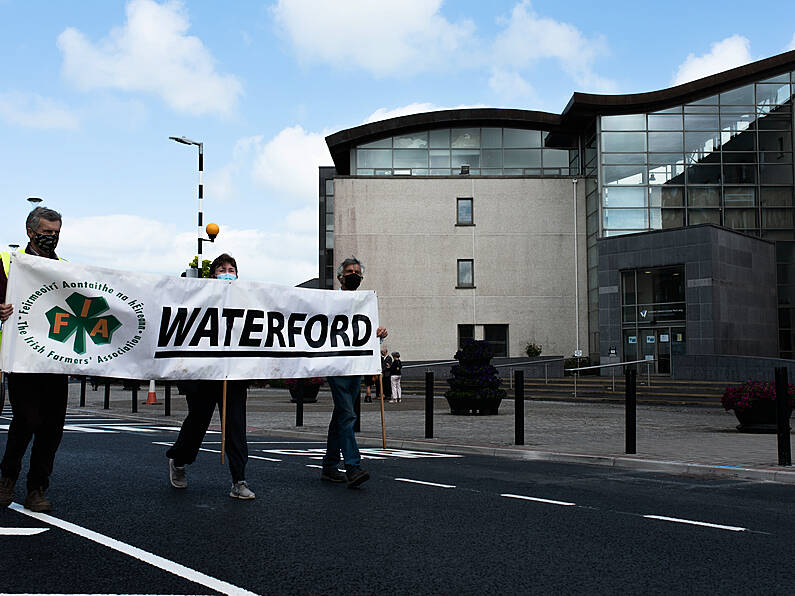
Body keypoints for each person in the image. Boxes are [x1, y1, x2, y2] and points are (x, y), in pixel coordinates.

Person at [165, 254, 255, 500]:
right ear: (212, 275)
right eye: (221, 269)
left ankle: (239, 480)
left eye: (231, 269)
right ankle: (180, 460)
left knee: (236, 426)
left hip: (233, 374)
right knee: (198, 422)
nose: (227, 272)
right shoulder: (199, 298)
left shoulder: (246, 301)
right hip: (202, 374)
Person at [0, 207, 68, 512]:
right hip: (22, 358)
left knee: (52, 428)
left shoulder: (66, 269)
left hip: (56, 361)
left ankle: (37, 489)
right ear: (31, 232)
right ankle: (7, 479)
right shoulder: (7, 263)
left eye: (56, 232)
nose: (51, 237)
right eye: (46, 231)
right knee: (26, 420)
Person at [321, 257, 387, 488]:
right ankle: (352, 466)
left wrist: (377, 334)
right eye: (350, 271)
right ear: (340, 276)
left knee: (340, 415)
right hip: (337, 366)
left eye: (357, 272)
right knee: (348, 414)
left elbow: (363, 330)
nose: (354, 275)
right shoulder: (330, 301)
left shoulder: (364, 302)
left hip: (355, 366)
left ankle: (329, 465)